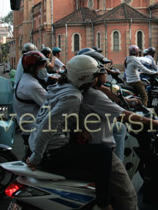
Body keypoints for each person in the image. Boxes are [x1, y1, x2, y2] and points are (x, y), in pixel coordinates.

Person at [26, 55, 114, 210]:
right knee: (104, 153)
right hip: (52, 153)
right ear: (84, 77)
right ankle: (104, 203)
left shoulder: (60, 88)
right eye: (94, 76)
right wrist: (36, 158)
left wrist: (74, 133)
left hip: (40, 146)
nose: (95, 80)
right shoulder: (73, 96)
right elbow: (48, 126)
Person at [81, 60, 158, 210]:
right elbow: (123, 115)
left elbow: (107, 91)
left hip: (91, 143)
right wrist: (152, 122)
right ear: (93, 77)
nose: (105, 73)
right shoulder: (94, 96)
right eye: (102, 72)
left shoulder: (86, 91)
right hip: (102, 149)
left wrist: (127, 100)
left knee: (119, 128)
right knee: (128, 197)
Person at [13, 51, 48, 134]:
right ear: (32, 68)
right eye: (41, 66)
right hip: (32, 126)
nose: (44, 69)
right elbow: (50, 104)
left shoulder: (25, 79)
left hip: (26, 123)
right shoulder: (32, 85)